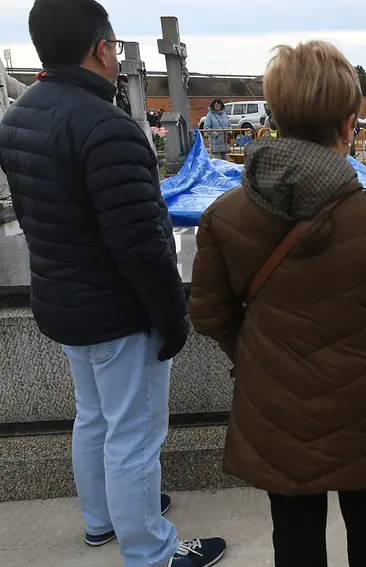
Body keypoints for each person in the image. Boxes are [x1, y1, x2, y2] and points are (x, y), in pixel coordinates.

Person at [187, 40, 366, 567]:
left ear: (275, 117)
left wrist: (258, 357)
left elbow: (209, 312)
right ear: (350, 125)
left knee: (294, 537)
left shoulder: (224, 216)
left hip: (275, 411)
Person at [0, 1, 227, 566]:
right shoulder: (109, 127)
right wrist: (171, 315)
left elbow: (31, 216)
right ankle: (151, 551)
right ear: (104, 50)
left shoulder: (19, 116)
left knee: (94, 418)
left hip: (62, 300)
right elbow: (141, 242)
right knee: (134, 435)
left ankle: (105, 519)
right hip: (118, 312)